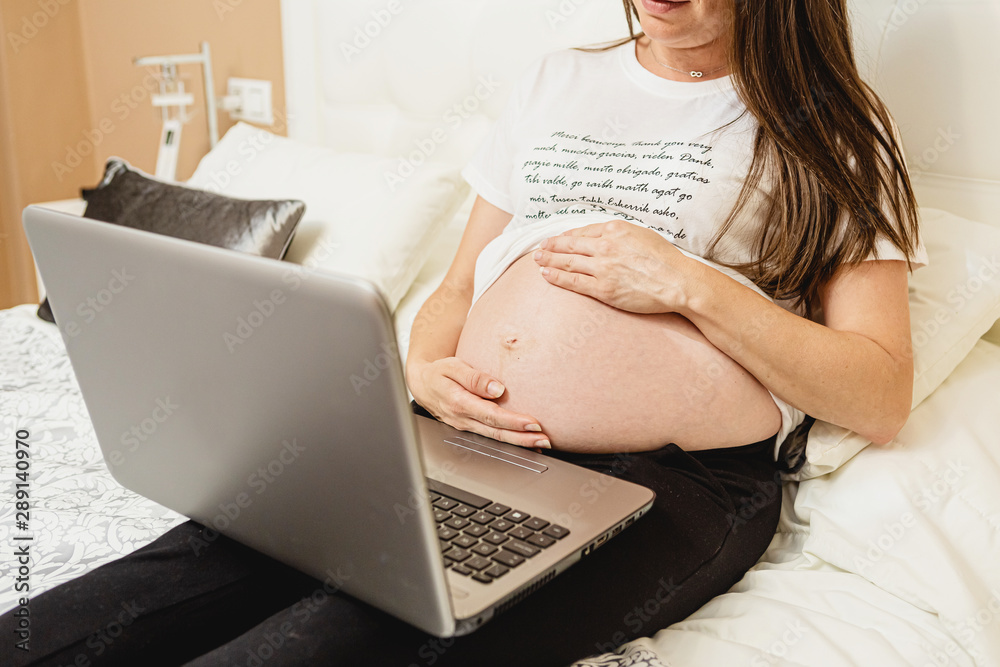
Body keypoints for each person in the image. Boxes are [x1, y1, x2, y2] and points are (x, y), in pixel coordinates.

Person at [5, 1, 925, 665]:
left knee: (342, 641)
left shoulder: (832, 128)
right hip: (457, 432)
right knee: (168, 580)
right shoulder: (558, 80)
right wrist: (426, 364)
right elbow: (454, 286)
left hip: (668, 479)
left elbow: (878, 392)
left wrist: (688, 285)